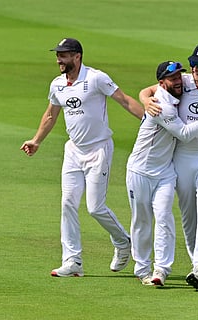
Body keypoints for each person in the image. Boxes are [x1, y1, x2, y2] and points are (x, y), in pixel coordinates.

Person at [20, 38, 144, 277]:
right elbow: (50, 115)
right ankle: (73, 261)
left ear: (77, 56)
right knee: (67, 203)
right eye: (58, 55)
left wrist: (151, 122)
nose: (59, 59)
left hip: (99, 149)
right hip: (73, 151)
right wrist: (36, 140)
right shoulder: (57, 84)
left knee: (95, 207)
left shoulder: (96, 78)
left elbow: (125, 100)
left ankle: (123, 242)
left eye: (64, 55)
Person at [139, 44, 198, 291]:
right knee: (188, 215)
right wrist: (146, 101)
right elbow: (147, 90)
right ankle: (195, 262)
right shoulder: (183, 81)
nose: (195, 69)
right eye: (193, 64)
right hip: (182, 156)